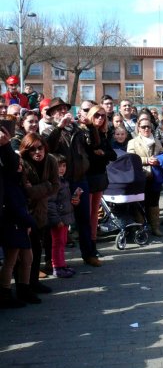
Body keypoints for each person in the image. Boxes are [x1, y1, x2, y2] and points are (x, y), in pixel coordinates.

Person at [43, 97, 99, 267]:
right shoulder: (49, 131)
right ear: (52, 114)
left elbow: (95, 144)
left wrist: (90, 125)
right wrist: (59, 128)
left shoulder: (77, 128)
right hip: (61, 182)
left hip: (80, 180)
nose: (62, 112)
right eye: (58, 110)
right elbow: (48, 148)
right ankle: (52, 261)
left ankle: (89, 254)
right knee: (56, 223)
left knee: (84, 219)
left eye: (64, 109)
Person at [19, 133, 60, 292]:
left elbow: (55, 186)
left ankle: (34, 282)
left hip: (41, 211)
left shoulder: (51, 160)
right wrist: (46, 185)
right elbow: (25, 192)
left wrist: (36, 189)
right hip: (25, 212)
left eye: (40, 148)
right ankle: (24, 285)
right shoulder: (21, 162)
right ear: (26, 151)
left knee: (37, 249)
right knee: (23, 253)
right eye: (32, 149)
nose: (37, 152)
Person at [0, 155, 39, 307]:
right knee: (11, 260)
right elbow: (15, 207)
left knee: (27, 258)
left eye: (21, 164)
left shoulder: (18, 182)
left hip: (21, 225)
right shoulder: (8, 183)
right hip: (13, 225)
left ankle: (24, 288)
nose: (20, 167)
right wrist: (30, 222)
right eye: (18, 165)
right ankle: (5, 292)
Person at [85, 105, 117, 257]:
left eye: (103, 116)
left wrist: (102, 153)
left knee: (93, 215)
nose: (100, 118)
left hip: (98, 177)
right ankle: (88, 249)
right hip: (85, 177)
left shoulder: (104, 134)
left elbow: (112, 155)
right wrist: (98, 154)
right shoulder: (84, 132)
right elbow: (89, 153)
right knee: (87, 214)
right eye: (97, 115)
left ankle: (92, 246)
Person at [127, 113, 163, 237]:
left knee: (154, 203)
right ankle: (141, 229)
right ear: (138, 128)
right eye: (143, 127)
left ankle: (155, 227)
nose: (146, 129)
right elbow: (131, 158)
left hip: (155, 177)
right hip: (140, 177)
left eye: (148, 127)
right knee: (139, 203)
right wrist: (147, 160)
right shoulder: (132, 142)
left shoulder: (157, 141)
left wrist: (159, 160)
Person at [47, 154, 80, 278]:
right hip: (59, 218)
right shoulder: (54, 182)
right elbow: (51, 203)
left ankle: (62, 264)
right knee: (57, 242)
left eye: (64, 166)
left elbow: (63, 200)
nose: (62, 169)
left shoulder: (63, 180)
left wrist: (74, 200)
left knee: (63, 241)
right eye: (58, 166)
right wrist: (56, 219)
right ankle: (57, 266)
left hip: (65, 217)